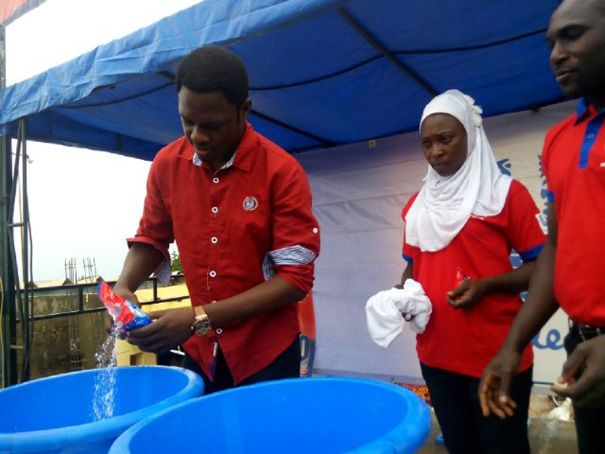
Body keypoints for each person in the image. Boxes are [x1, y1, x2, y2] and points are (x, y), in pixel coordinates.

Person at [113, 46, 320, 394]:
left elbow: (295, 280)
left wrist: (198, 317)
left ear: (244, 110)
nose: (198, 137)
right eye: (187, 122)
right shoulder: (167, 165)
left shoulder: (281, 172)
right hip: (201, 351)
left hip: (265, 355)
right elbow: (151, 237)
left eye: (212, 125)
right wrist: (124, 287)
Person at [479, 1, 605, 452]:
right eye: (551, 42)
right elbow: (556, 245)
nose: (556, 53)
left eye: (572, 36)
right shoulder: (560, 139)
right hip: (584, 349)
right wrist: (513, 345)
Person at [399, 89, 546, 454]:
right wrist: (401, 296)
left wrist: (487, 286)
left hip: (496, 355)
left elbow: (544, 267)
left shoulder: (506, 194)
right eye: (426, 143)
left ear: (471, 136)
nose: (435, 152)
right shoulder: (418, 205)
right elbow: (412, 269)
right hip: (436, 355)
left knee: (503, 447)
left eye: (446, 139)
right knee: (461, 447)